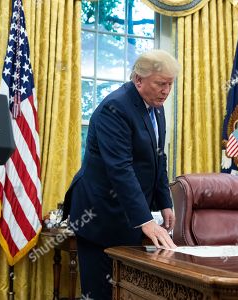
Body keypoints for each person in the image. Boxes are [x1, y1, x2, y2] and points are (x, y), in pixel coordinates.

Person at [63, 49, 180, 300]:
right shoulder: (115, 108)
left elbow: (159, 158)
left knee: (131, 290)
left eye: (170, 84)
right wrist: (146, 220)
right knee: (101, 293)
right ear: (139, 80)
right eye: (161, 84)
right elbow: (120, 168)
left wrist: (165, 202)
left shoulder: (156, 108)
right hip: (99, 214)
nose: (166, 91)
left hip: (129, 216)